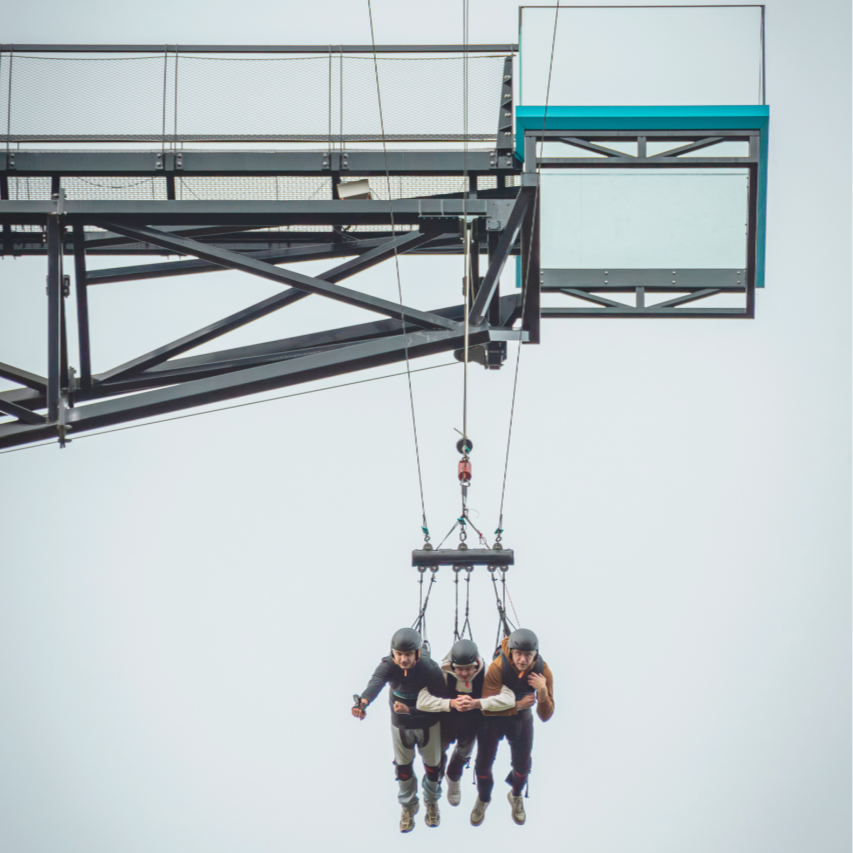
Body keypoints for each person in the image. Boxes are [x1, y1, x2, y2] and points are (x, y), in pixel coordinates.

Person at [352, 627, 447, 832]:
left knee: (433, 767)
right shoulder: (388, 665)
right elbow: (376, 683)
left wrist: (410, 710)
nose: (403, 659)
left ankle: (431, 802)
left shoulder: (429, 668)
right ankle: (407, 807)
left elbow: (441, 702)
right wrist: (363, 703)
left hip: (427, 722)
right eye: (399, 654)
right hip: (401, 725)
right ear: (393, 653)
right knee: (403, 767)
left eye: (408, 655)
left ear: (417, 654)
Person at [470, 628, 555, 827]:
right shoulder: (498, 667)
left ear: (535, 654)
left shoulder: (543, 671)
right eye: (518, 654)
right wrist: (517, 705)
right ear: (511, 653)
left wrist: (542, 691)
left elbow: (546, 715)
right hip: (495, 719)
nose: (523, 659)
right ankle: (483, 798)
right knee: (483, 765)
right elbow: (486, 707)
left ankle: (516, 795)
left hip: (521, 720)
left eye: (528, 655)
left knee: (522, 766)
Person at [415, 638, 515, 806]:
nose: (464, 674)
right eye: (460, 669)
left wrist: (479, 703)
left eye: (468, 669)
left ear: (476, 664)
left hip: (471, 722)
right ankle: (436, 781)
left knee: (463, 754)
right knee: (438, 754)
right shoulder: (441, 674)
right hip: (445, 720)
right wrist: (449, 703)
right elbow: (421, 700)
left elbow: (509, 698)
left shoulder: (487, 673)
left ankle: (453, 777)